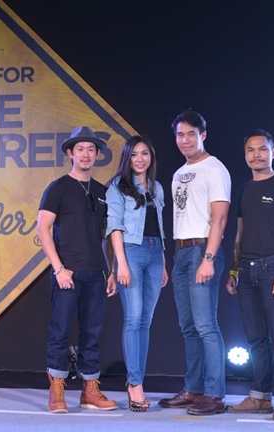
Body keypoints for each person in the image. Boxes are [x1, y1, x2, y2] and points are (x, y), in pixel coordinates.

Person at [37, 126, 118, 414]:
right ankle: (56, 391)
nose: (86, 154)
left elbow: (108, 235)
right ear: (71, 153)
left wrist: (110, 270)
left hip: (96, 274)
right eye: (80, 149)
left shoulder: (102, 192)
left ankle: (90, 391)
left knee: (92, 334)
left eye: (91, 149)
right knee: (60, 332)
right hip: (67, 273)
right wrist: (59, 269)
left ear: (97, 154)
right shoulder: (58, 188)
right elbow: (43, 229)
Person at [224, 129, 274, 421]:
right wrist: (233, 270)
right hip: (246, 272)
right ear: (245, 154)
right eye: (250, 150)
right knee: (256, 339)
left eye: (262, 149)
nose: (256, 155)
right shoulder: (244, 190)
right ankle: (259, 397)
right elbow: (239, 235)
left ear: (273, 152)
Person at [159, 109, 231, 415]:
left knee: (206, 326)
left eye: (191, 134)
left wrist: (209, 259)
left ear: (203, 135)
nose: (185, 140)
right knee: (188, 327)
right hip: (182, 252)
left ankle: (215, 395)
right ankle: (194, 389)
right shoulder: (178, 173)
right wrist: (176, 259)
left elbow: (220, 218)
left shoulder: (215, 169)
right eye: (180, 134)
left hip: (203, 251)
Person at [106, 136, 168, 412]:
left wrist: (163, 262)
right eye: (134, 154)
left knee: (146, 321)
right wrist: (120, 263)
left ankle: (137, 381)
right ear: (127, 158)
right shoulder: (118, 186)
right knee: (133, 318)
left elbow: (160, 228)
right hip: (131, 251)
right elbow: (114, 226)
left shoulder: (158, 188)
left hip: (155, 253)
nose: (140, 159)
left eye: (145, 153)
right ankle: (134, 385)